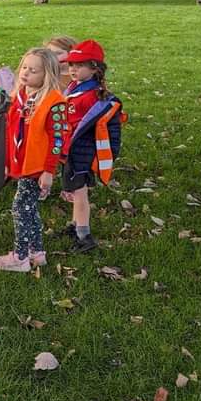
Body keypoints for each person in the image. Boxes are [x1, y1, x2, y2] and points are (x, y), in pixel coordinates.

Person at [0, 48, 67, 273]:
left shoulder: (54, 102)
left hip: (37, 167)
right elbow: (11, 131)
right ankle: (37, 252)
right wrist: (7, 162)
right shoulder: (19, 96)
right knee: (29, 208)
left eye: (33, 71)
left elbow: (58, 139)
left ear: (47, 75)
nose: (25, 73)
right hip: (22, 163)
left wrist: (49, 171)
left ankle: (20, 257)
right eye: (24, 67)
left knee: (20, 208)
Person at [61, 40, 124, 252]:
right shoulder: (74, 88)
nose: (73, 69)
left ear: (95, 68)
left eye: (80, 65)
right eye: (71, 64)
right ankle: (74, 225)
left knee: (79, 194)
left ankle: (84, 236)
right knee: (74, 190)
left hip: (82, 152)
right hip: (71, 150)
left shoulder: (93, 96)